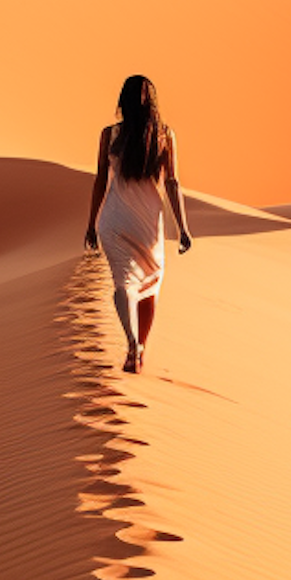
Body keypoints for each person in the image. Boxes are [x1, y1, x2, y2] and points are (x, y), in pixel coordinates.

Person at [84, 74, 192, 371]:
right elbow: (172, 183)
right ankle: (139, 348)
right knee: (149, 284)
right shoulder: (165, 135)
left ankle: (133, 342)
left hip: (115, 219)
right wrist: (182, 227)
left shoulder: (109, 134)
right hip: (148, 223)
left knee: (123, 282)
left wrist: (92, 223)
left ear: (123, 100)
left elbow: (100, 181)